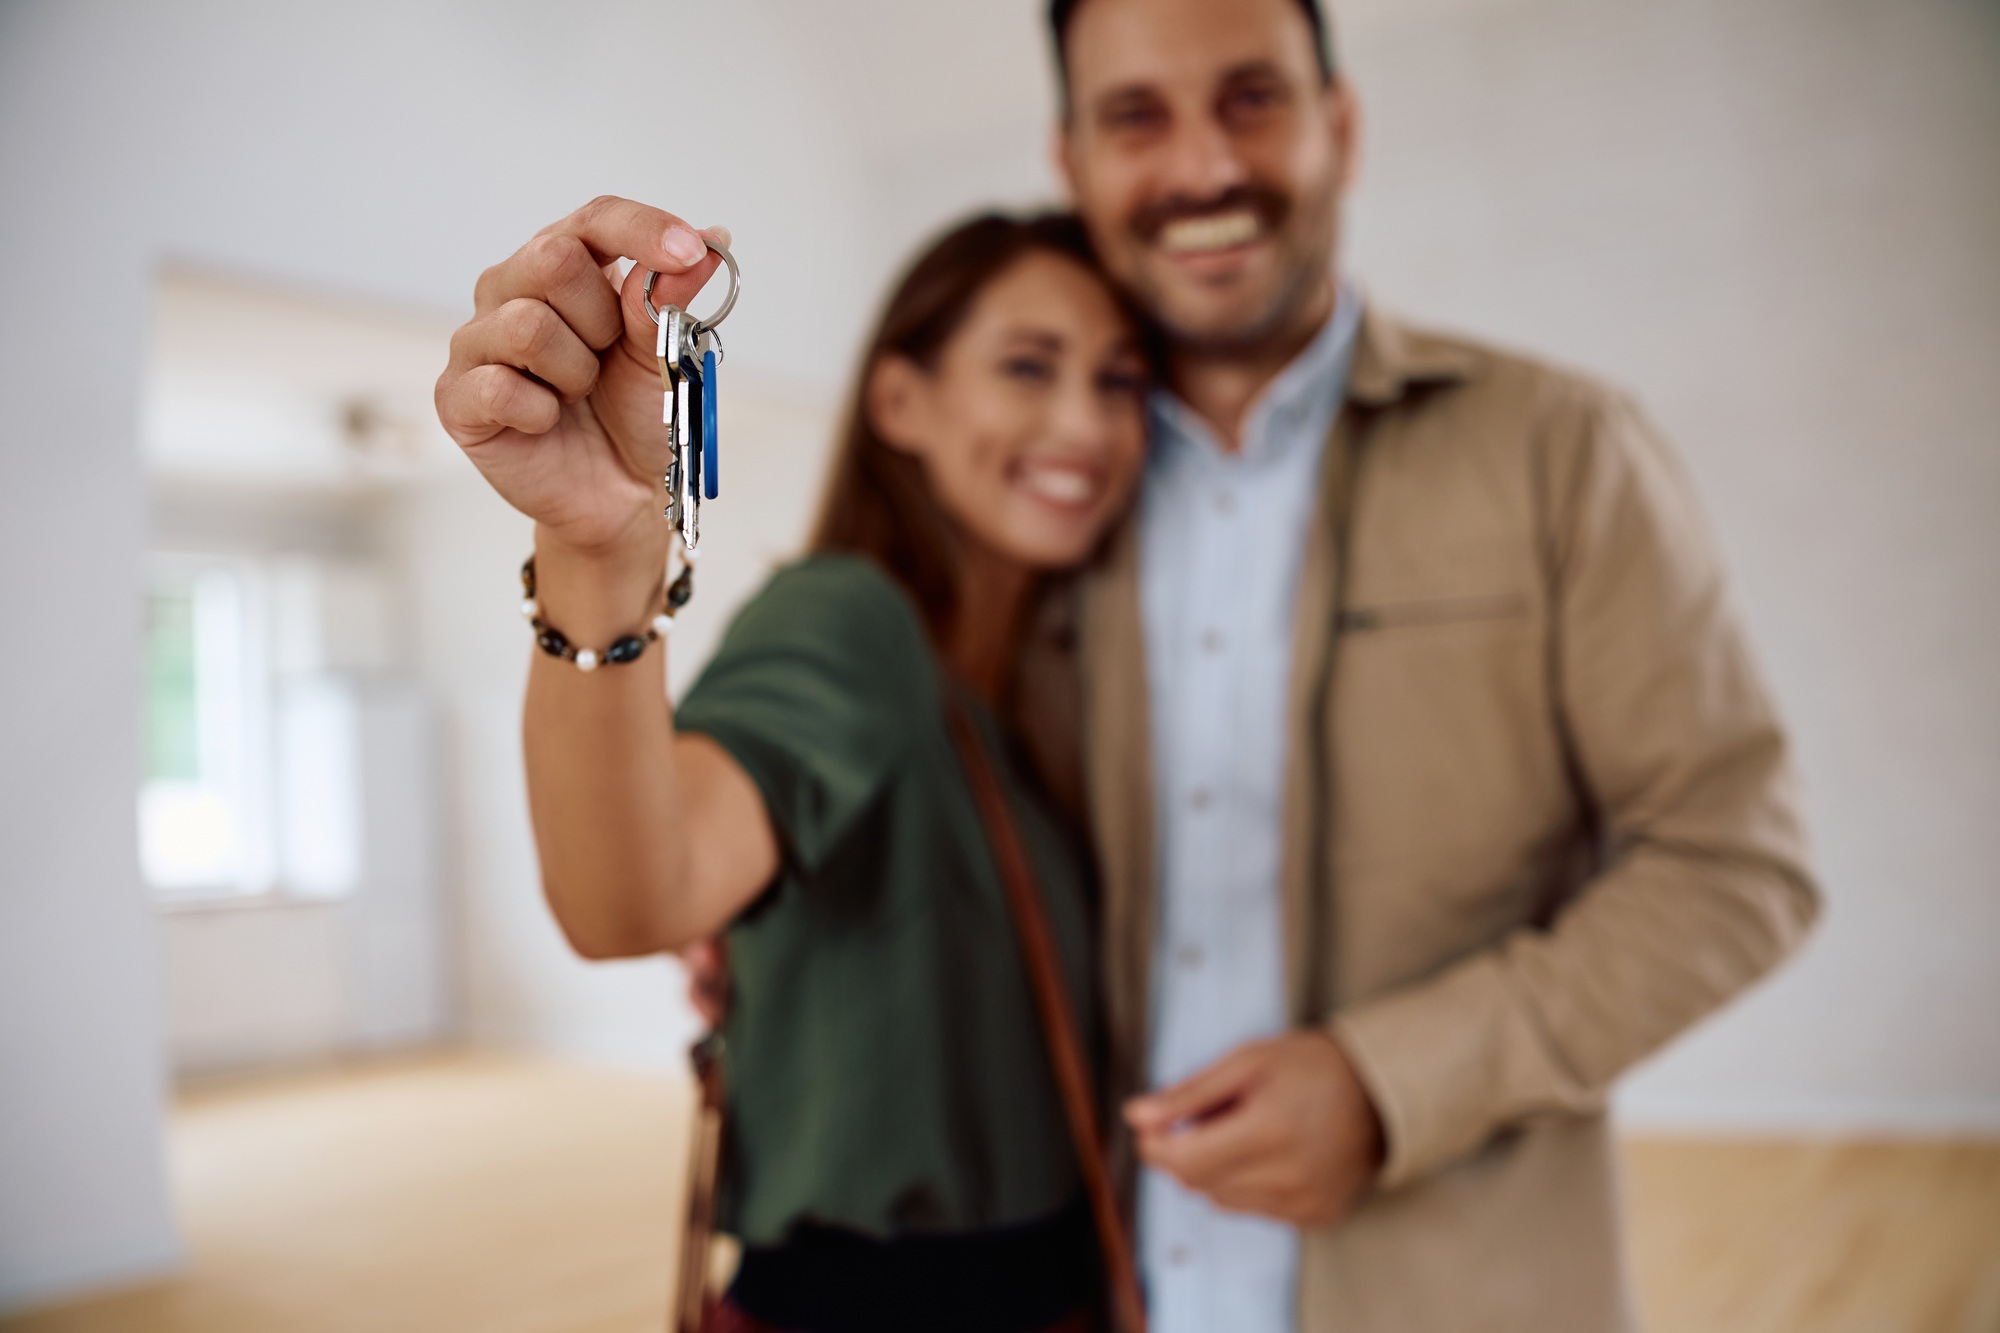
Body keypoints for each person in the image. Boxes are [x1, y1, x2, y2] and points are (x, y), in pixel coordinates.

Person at [1034, 0, 1823, 1330]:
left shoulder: (1560, 450)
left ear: (1340, 125)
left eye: (1251, 99)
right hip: (1084, 1289)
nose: (1204, 169)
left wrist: (1393, 1080)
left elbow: (1737, 863)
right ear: (1071, 163)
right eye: (1136, 118)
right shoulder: (1025, 502)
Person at [433, 206, 1150, 1332]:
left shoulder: (1031, 684)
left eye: (1120, 381)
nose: (1085, 422)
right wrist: (598, 547)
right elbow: (629, 899)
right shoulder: (852, 618)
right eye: (1027, 366)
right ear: (899, 401)